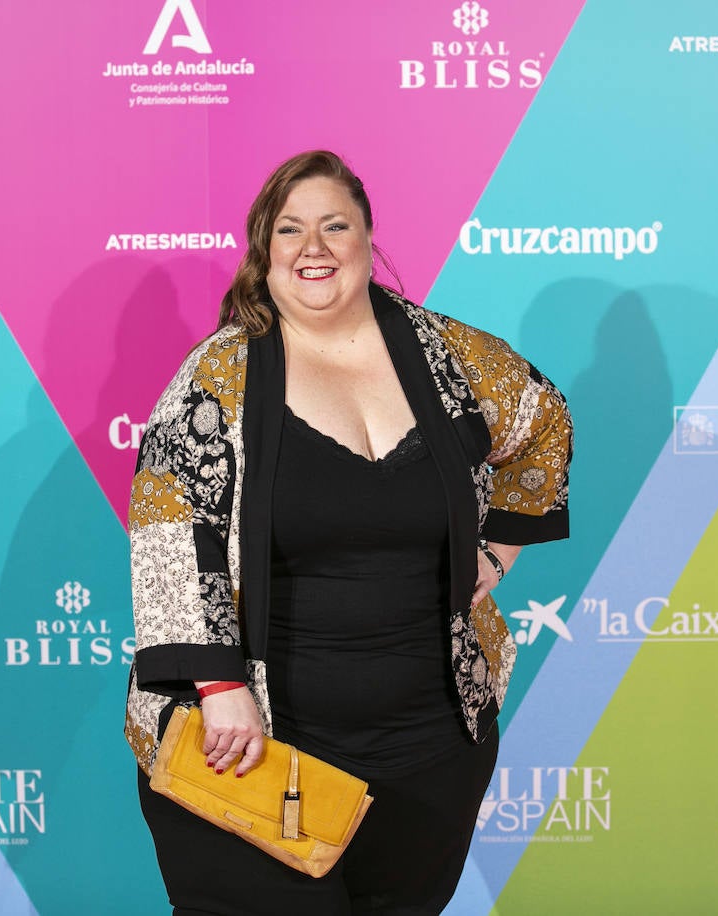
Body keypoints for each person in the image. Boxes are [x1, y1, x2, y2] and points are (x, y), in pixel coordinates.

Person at [126, 150, 572, 915]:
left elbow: (543, 422)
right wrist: (220, 685)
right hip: (256, 744)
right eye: (290, 229)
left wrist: (497, 550)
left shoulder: (454, 360)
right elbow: (169, 522)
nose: (314, 247)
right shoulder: (219, 374)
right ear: (264, 252)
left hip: (431, 750)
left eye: (335, 224)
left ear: (369, 237)